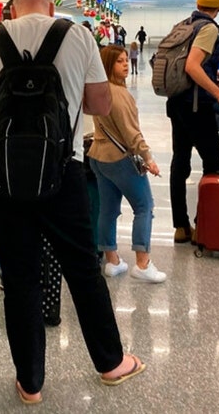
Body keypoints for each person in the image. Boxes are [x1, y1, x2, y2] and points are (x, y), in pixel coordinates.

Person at [0, 0, 144, 404]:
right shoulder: (77, 35)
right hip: (65, 173)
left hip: (6, 179)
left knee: (20, 276)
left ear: (13, 8)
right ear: (50, 5)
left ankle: (30, 383)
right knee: (82, 270)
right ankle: (111, 363)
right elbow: (99, 105)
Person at [166, 0, 219, 244]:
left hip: (176, 103)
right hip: (196, 106)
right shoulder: (208, 28)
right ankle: (204, 224)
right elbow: (192, 66)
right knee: (213, 163)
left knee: (180, 162)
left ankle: (180, 226)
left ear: (198, 5)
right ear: (217, 9)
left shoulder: (183, 25)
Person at [88, 45, 166, 283]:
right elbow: (131, 133)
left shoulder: (98, 91)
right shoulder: (121, 95)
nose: (125, 64)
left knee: (108, 210)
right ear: (108, 65)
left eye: (125, 60)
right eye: (119, 61)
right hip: (120, 160)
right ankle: (142, 263)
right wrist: (149, 158)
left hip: (98, 156)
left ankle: (112, 261)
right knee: (144, 207)